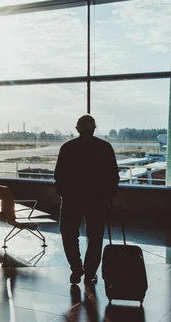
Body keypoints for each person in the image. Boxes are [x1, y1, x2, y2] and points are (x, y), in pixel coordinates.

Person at [54, 115, 119, 285]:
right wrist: (109, 196)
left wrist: (63, 193)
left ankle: (76, 269)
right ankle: (90, 272)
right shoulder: (105, 147)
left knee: (68, 234)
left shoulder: (67, 148)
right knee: (95, 236)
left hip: (71, 199)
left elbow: (58, 175)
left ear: (77, 129)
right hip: (96, 199)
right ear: (94, 128)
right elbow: (113, 175)